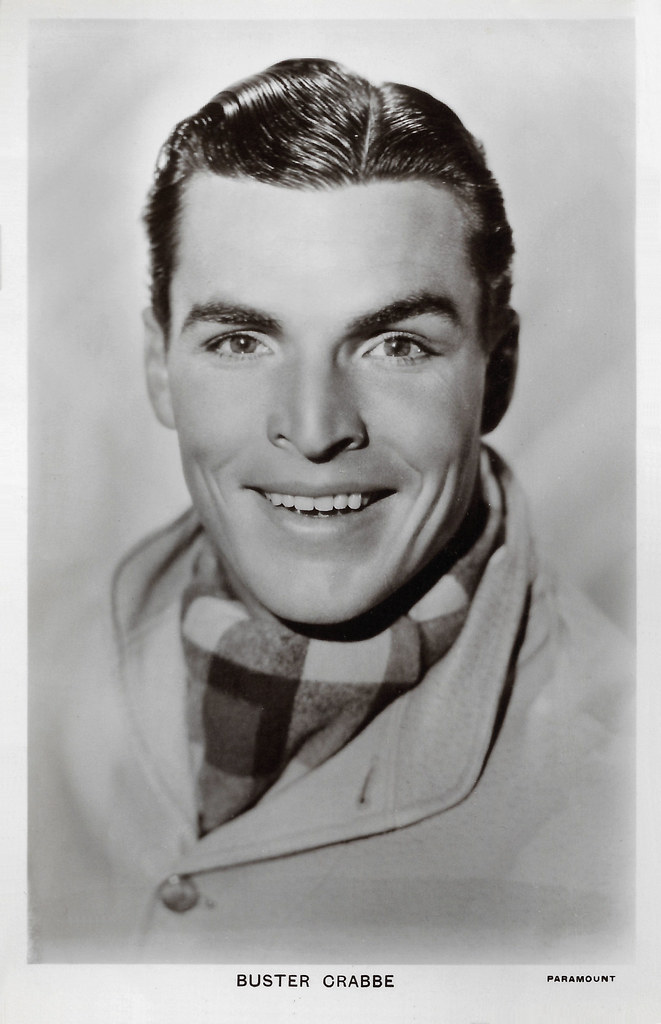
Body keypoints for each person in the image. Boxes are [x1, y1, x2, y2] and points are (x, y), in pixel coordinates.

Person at [30, 57, 633, 964]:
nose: (313, 430)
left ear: (495, 369)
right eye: (239, 340)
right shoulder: (29, 668)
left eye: (394, 343)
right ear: (159, 364)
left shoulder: (627, 797)